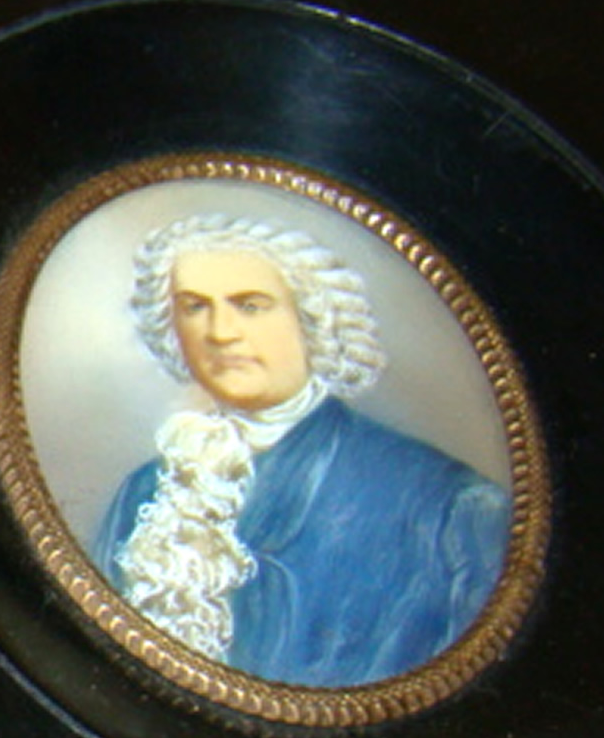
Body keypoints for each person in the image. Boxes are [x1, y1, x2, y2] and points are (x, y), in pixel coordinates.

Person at [91, 214, 509, 688]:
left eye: (251, 306)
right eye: (194, 307)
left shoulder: (450, 506)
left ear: (314, 319)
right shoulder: (145, 493)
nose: (220, 332)